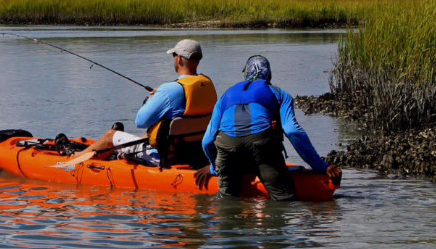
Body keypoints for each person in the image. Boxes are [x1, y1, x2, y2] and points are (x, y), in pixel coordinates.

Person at [200, 55, 342, 200]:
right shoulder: (280, 94)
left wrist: (214, 167)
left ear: (245, 74)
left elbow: (207, 141)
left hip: (227, 147)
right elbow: (292, 131)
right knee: (284, 199)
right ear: (269, 75)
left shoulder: (225, 96)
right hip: (262, 145)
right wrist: (320, 166)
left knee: (227, 199)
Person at [71, 39, 217, 175]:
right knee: (145, 136)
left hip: (168, 158)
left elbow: (140, 122)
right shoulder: (207, 84)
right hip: (196, 155)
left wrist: (152, 98)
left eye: (174, 56)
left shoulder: (168, 90)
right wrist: (160, 95)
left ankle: (72, 161)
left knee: (111, 135)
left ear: (178, 59)